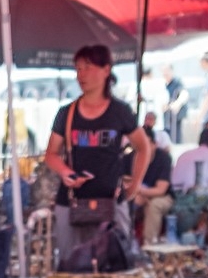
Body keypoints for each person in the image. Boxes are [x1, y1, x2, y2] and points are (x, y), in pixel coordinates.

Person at [45, 44, 152, 263]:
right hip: (72, 202)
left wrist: (134, 186)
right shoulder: (67, 113)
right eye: (78, 69)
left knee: (115, 265)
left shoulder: (119, 111)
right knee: (71, 265)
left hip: (111, 200)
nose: (81, 75)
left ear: (106, 70)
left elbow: (143, 147)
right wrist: (66, 173)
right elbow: (51, 154)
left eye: (87, 67)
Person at [126, 128, 174, 242]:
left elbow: (161, 190)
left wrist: (140, 192)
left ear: (154, 144)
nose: (142, 148)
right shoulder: (128, 158)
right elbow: (124, 182)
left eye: (146, 144)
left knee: (154, 206)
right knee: (125, 204)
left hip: (162, 197)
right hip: (137, 194)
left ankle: (149, 245)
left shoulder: (163, 158)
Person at [162, 66, 188, 144]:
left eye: (167, 71)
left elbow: (184, 93)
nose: (165, 74)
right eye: (164, 72)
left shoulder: (177, 82)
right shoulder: (165, 84)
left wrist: (177, 103)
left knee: (176, 137)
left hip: (176, 116)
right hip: (167, 117)